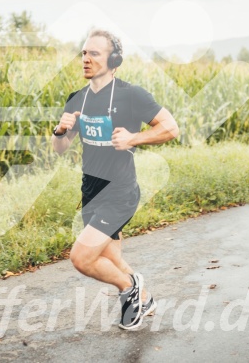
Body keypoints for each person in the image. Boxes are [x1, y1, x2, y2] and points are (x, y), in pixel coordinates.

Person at [51, 29, 179, 330]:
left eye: (94, 53)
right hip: (91, 189)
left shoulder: (131, 95)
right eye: (83, 53)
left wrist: (135, 137)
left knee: (82, 258)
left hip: (120, 190)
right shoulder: (77, 99)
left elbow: (171, 128)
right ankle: (144, 299)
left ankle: (128, 290)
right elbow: (60, 149)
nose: (85, 59)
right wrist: (60, 131)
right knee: (110, 257)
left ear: (114, 59)